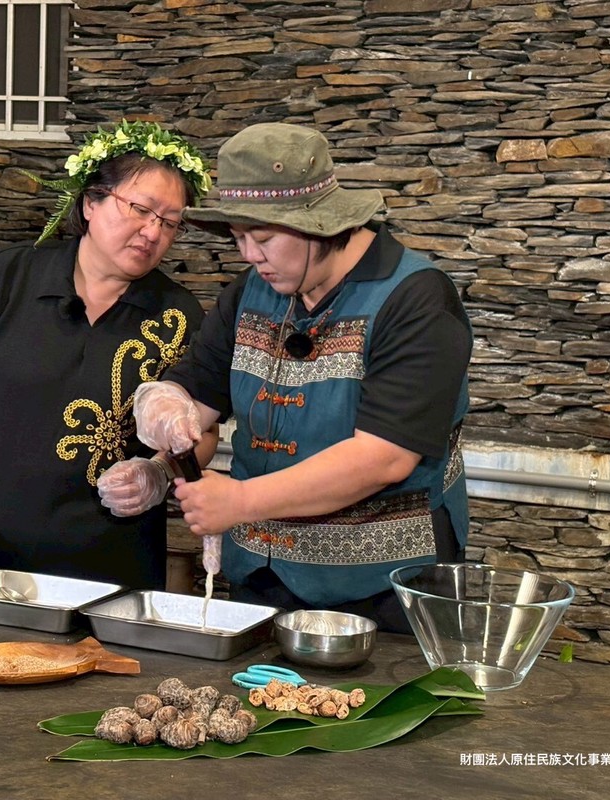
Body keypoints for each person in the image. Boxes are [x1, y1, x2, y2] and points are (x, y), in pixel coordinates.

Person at [112, 123, 473, 632]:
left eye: (263, 238)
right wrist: (165, 411)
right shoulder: (252, 291)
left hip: (383, 591)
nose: (249, 255)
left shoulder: (416, 300)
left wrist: (240, 501)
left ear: (320, 225)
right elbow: (198, 392)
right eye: (239, 238)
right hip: (261, 577)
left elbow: (385, 456)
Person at [0, 120, 217, 590]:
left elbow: (202, 432)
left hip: (114, 569)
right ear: (90, 202)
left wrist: (160, 471)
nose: (152, 231)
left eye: (169, 222)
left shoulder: (177, 315)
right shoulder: (7, 279)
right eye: (141, 209)